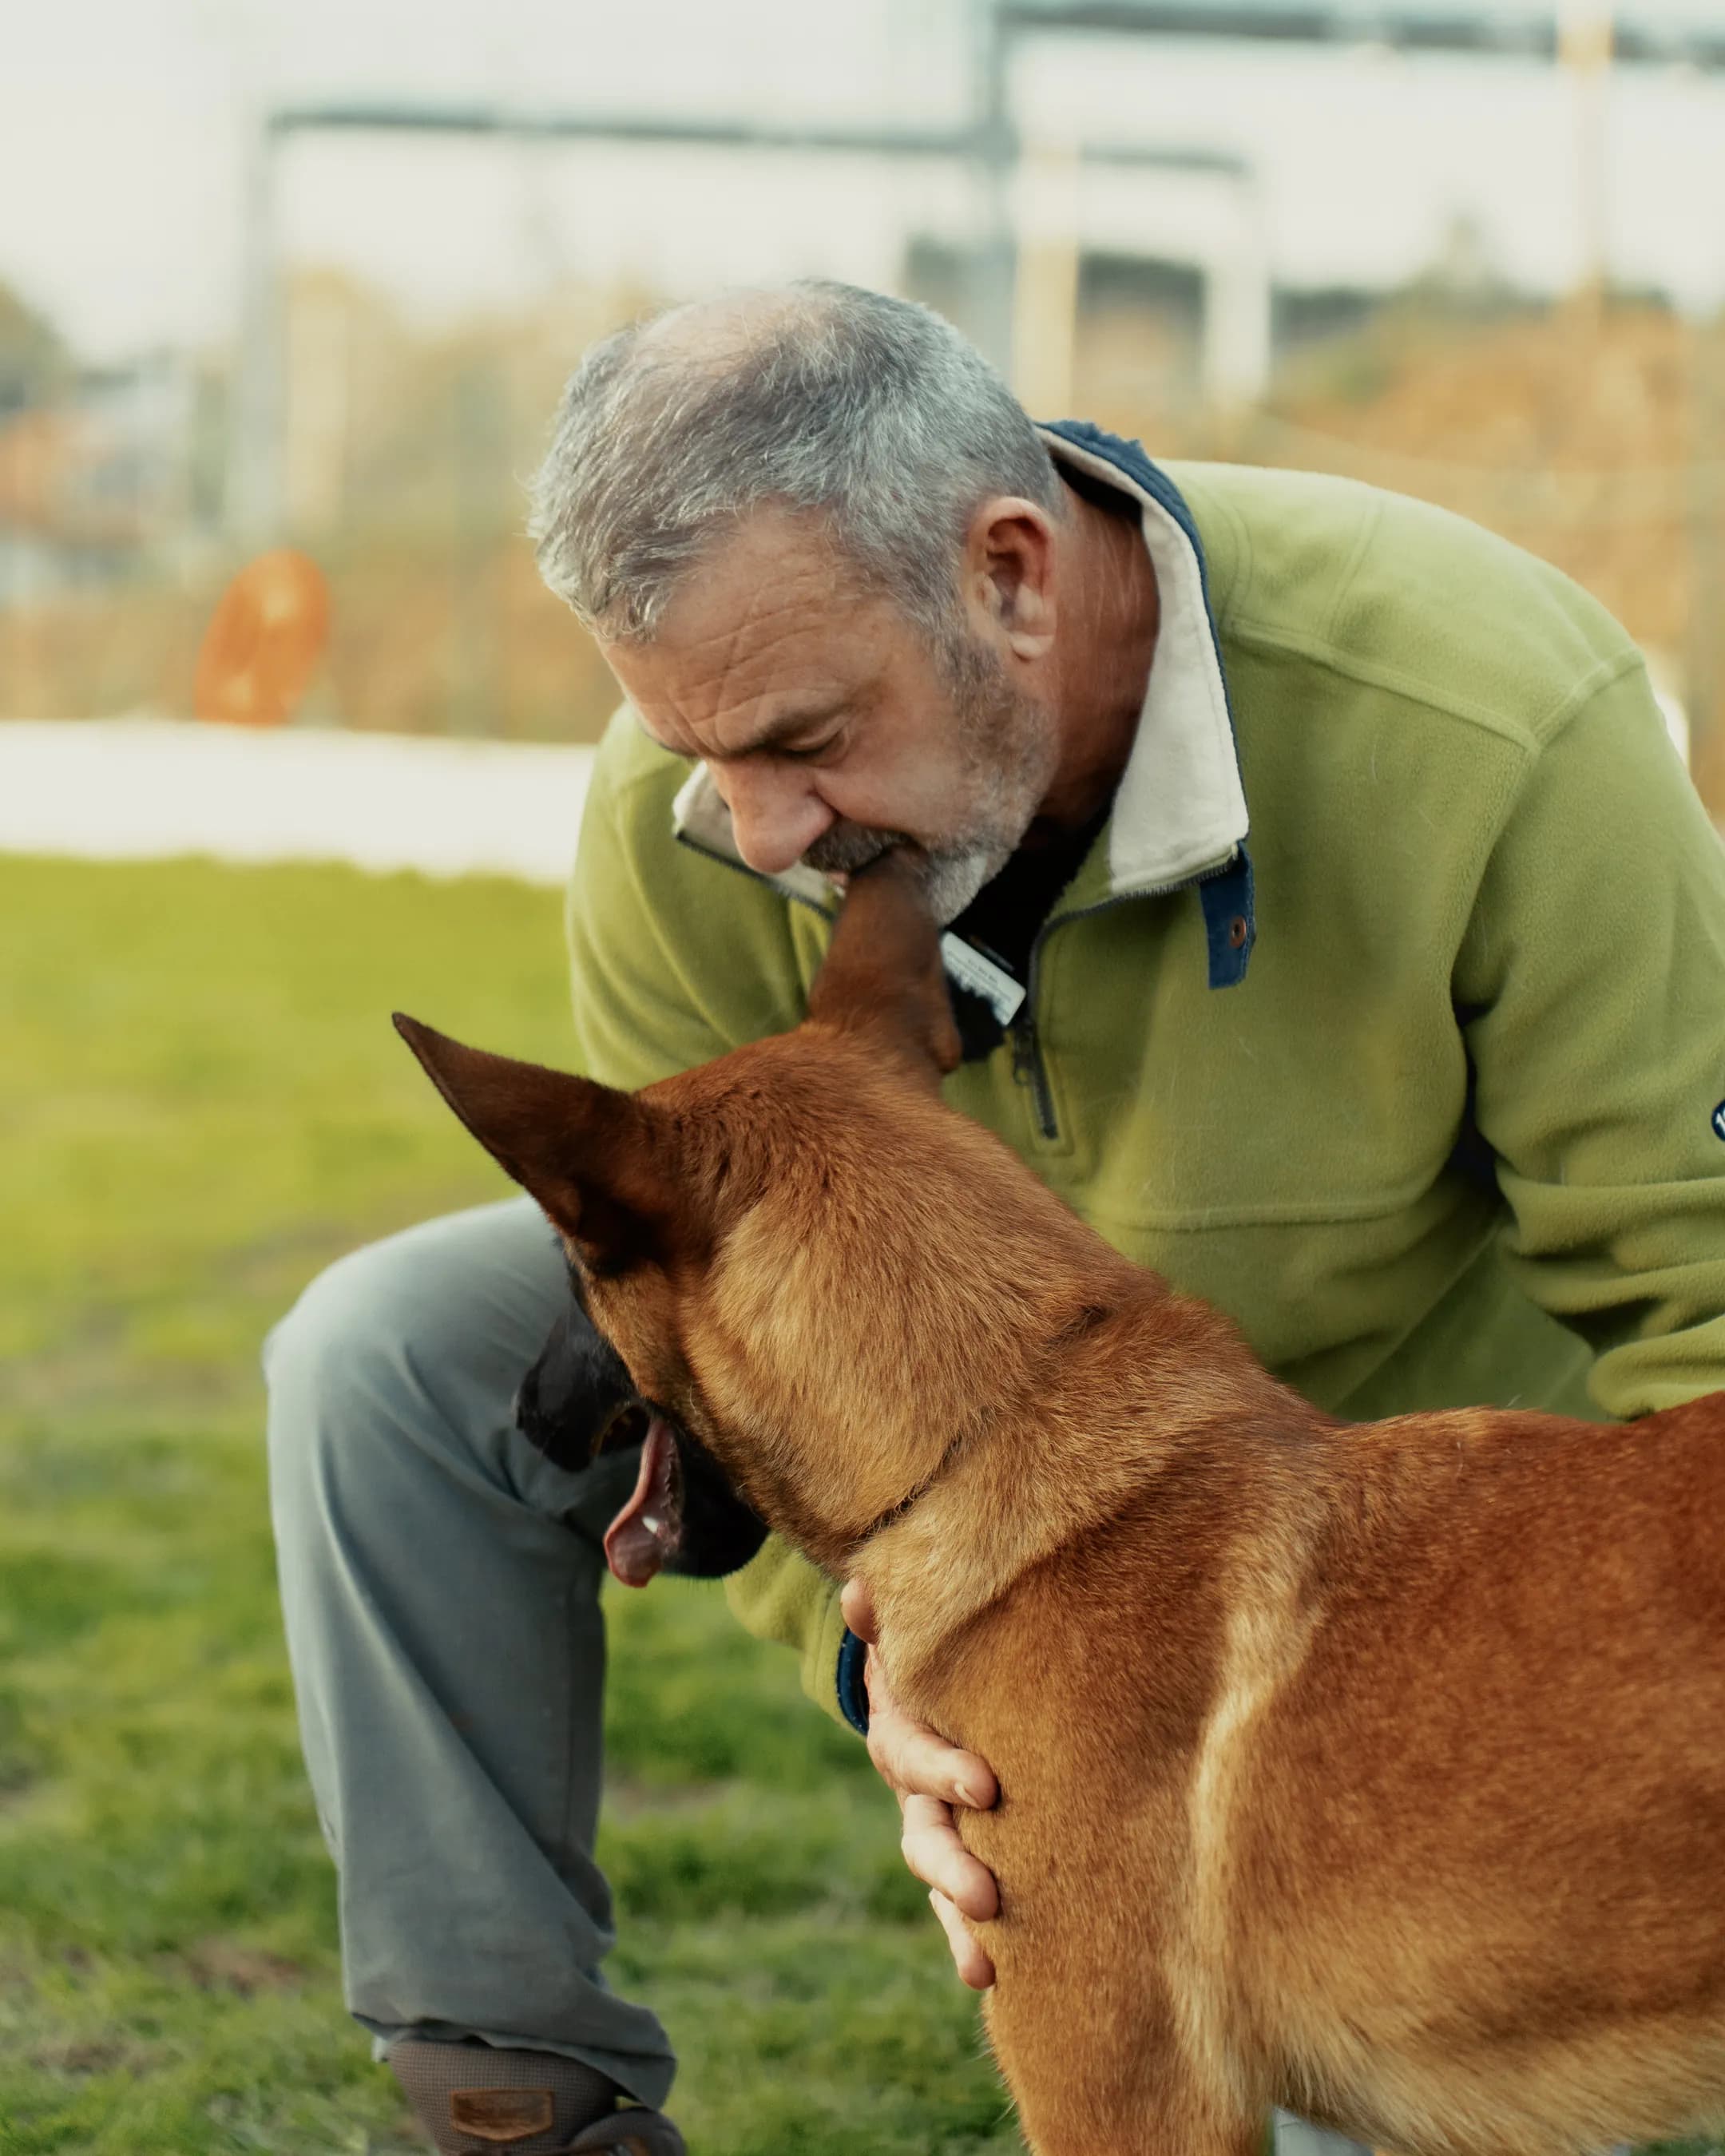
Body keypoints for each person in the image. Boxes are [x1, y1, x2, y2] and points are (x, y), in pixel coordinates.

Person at [265, 279, 1725, 2156]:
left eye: (805, 740)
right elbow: (720, 1365)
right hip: (964, 1507)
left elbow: (1706, 1289)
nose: (765, 829)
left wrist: (1549, 1762)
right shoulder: (696, 804)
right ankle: (511, 2094)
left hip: (1417, 1536)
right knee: (383, 1360)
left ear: (1014, 574)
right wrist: (914, 1694)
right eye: (704, 751)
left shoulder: (1488, 711)